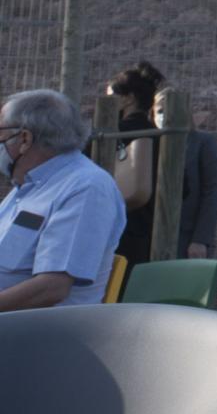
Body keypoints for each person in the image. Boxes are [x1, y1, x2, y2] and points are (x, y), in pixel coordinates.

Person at [0, 89, 126, 311]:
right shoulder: (25, 189)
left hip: (39, 336)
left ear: (24, 139)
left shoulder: (86, 187)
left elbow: (52, 288)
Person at [105, 62, 217, 261]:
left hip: (181, 235)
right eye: (159, 110)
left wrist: (200, 239)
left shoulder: (202, 142)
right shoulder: (146, 137)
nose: (163, 116)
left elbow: (211, 193)